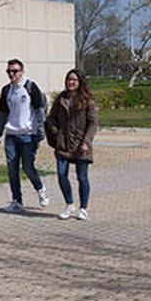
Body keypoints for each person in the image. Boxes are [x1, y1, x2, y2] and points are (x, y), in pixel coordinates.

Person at [0, 58, 50, 212]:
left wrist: (41, 132)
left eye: (15, 71)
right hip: (11, 134)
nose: (12, 74)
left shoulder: (30, 87)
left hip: (28, 135)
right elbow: (2, 114)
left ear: (22, 71)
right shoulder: (6, 90)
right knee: (12, 169)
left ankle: (40, 188)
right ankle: (17, 201)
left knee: (27, 167)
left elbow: (40, 111)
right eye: (9, 71)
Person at [45, 69, 98, 221]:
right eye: (69, 79)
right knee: (62, 175)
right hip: (63, 144)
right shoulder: (61, 98)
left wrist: (86, 141)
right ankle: (69, 204)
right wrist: (57, 132)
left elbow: (93, 123)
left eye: (74, 80)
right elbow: (51, 118)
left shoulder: (87, 100)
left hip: (81, 145)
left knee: (82, 177)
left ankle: (83, 208)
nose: (71, 82)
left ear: (80, 82)